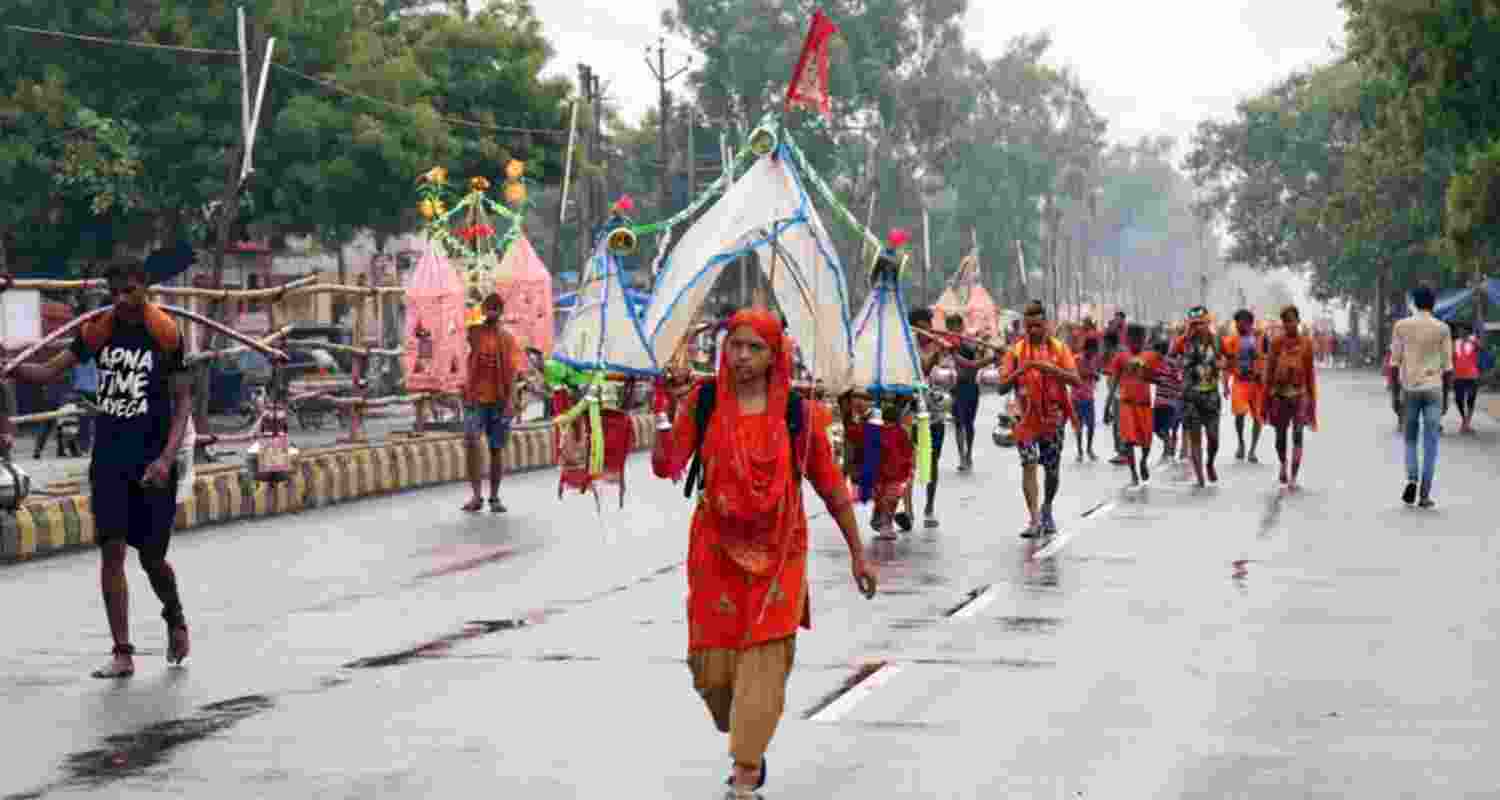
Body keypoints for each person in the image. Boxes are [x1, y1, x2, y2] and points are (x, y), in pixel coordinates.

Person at [651, 309, 874, 797]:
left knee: (765, 661)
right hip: (715, 551)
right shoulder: (703, 402)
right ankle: (744, 731)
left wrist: (859, 552)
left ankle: (747, 771)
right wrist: (664, 413)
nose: (743, 357)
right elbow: (666, 464)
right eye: (735, 345)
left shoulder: (799, 414)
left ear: (775, 356)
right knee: (712, 672)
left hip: (781, 552)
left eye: (755, 348)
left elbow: (832, 488)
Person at [9, 260, 193, 678]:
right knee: (111, 551)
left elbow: (183, 402)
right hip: (109, 456)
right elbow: (46, 371)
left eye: (129, 291)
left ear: (144, 287)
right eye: (114, 293)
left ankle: (174, 614)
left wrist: (166, 459)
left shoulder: (165, 334)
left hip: (153, 459)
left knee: (151, 559)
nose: (121, 300)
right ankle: (122, 652)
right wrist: (12, 365)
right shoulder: (99, 330)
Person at [999, 301, 1081, 538]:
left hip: (1053, 418)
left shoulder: (1059, 349)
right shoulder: (1015, 352)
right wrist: (1019, 370)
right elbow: (1002, 388)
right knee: (1029, 463)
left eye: (1038, 325)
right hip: (1024, 418)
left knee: (1052, 472)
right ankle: (1034, 519)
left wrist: (1048, 368)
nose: (1033, 330)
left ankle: (1047, 507)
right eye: (1029, 326)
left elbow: (1075, 380)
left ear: (1046, 324)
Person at [1390, 285, 1453, 508]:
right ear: (1433, 303)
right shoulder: (1443, 329)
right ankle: (1425, 495)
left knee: (1409, 439)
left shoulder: (1401, 326)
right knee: (1431, 443)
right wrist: (1446, 398)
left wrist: (1395, 395)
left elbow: (1394, 362)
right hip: (1434, 389)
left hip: (1410, 389)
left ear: (1414, 303)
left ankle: (1412, 478)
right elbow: (1448, 368)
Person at [461, 293, 521, 513]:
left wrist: (511, 400)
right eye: (489, 307)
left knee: (496, 448)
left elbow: (514, 371)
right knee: (471, 441)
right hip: (474, 399)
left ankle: (494, 497)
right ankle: (476, 496)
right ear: (483, 310)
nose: (492, 311)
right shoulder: (473, 333)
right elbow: (460, 330)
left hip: (499, 399)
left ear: (501, 311)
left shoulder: (508, 338)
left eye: (497, 308)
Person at [1263, 306, 1319, 489]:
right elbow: (1269, 372)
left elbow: (1310, 373)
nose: (1289, 324)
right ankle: (1283, 464)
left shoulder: (1306, 344)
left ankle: (1293, 476)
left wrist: (1312, 401)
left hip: (1300, 395)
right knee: (1280, 437)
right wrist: (1265, 400)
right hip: (1279, 396)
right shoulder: (1276, 343)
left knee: (1297, 434)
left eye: (1292, 320)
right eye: (1285, 321)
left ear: (1298, 321)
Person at [1171, 306, 1227, 488]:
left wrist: (1223, 367)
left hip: (1211, 395)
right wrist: (1178, 365)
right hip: (1190, 396)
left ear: (1207, 323)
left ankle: (1209, 463)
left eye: (1201, 323)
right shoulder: (1183, 341)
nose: (1197, 327)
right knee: (1195, 438)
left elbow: (1225, 361)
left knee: (1213, 438)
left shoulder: (1217, 341)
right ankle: (1200, 477)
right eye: (1193, 324)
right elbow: (1169, 358)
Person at [902, 308, 948, 529]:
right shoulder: (906, 348)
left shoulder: (938, 346)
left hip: (934, 413)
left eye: (929, 325)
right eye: (923, 325)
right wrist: (936, 354)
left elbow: (952, 375)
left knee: (932, 462)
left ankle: (929, 507)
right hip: (910, 412)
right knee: (907, 462)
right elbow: (921, 370)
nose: (927, 330)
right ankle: (907, 510)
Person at [1106, 324, 1160, 486]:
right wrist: (1107, 406)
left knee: (1146, 442)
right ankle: (1133, 472)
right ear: (1127, 339)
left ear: (1144, 340)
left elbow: (1157, 379)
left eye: (1139, 338)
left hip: (1144, 405)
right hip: (1126, 405)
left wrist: (1145, 371)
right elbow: (1114, 382)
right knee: (1128, 440)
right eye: (1133, 338)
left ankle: (1143, 461)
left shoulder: (1150, 356)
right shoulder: (1121, 357)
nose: (1136, 342)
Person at [1222, 309, 1268, 463]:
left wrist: (1266, 377)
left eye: (1241, 323)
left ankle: (1252, 450)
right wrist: (1225, 385)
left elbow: (1268, 359)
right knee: (1239, 414)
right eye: (1236, 323)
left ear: (1249, 323)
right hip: (1239, 382)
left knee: (1258, 417)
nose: (1238, 325)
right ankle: (1241, 443)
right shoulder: (1230, 341)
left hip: (1257, 383)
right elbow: (1227, 364)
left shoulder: (1260, 339)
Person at [945, 313, 986, 472]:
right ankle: (961, 455)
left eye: (956, 326)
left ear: (961, 327)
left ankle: (968, 453)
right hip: (955, 388)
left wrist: (980, 347)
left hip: (970, 387)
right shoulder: (945, 343)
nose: (953, 329)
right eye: (950, 327)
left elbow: (976, 360)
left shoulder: (968, 343)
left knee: (968, 424)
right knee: (958, 423)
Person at [1151, 338, 1184, 464]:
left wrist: (1177, 393)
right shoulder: (1158, 363)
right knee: (1156, 428)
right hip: (1161, 399)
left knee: (1163, 428)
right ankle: (1168, 447)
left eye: (1156, 351)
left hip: (1169, 400)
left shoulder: (1170, 363)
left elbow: (1179, 379)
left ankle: (1167, 450)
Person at [1071, 336, 1102, 462]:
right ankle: (1079, 451)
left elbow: (1096, 375)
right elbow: (1077, 374)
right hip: (1077, 397)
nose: (1095, 353)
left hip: (1089, 397)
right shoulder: (1077, 359)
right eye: (1094, 350)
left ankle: (1089, 449)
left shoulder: (1094, 360)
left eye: (1096, 350)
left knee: (1091, 426)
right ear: (1088, 348)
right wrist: (1092, 374)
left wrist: (1095, 375)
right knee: (1078, 426)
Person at [1452, 322, 1482, 434]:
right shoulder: (1455, 343)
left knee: (1471, 397)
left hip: (1472, 375)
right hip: (1458, 375)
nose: (1460, 332)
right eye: (1459, 330)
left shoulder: (1473, 341)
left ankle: (1467, 423)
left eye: (1462, 330)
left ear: (1467, 331)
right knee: (1458, 399)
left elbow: (1481, 347)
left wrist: (1473, 340)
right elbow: (1452, 357)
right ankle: (1464, 420)